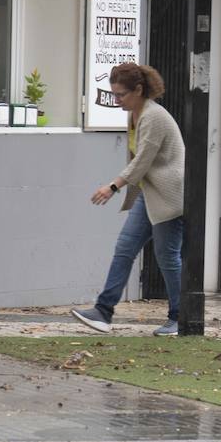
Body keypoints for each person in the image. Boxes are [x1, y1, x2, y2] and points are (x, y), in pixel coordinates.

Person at [71, 63, 185, 337]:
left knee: (167, 256)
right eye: (113, 94)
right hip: (150, 194)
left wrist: (113, 186)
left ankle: (181, 317)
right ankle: (103, 312)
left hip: (170, 196)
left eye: (121, 94)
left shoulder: (153, 116)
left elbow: (143, 159)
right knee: (125, 248)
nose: (116, 100)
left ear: (139, 90)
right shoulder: (136, 113)